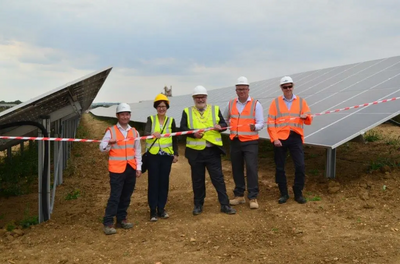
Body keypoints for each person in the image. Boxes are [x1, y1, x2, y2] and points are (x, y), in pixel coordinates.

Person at [180, 85, 236, 216]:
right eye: (198, 97)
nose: (200, 100)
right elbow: (182, 129)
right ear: (194, 98)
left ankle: (225, 205)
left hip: (212, 151)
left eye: (202, 97)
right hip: (195, 152)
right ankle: (198, 205)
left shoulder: (214, 109)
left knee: (218, 179)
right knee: (197, 180)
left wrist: (220, 127)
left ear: (206, 97)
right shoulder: (187, 111)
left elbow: (224, 125)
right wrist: (193, 134)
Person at [267, 76, 313, 204]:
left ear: (293, 86)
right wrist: (275, 138)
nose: (288, 89)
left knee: (300, 165)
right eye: (285, 87)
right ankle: (283, 193)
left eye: (290, 86)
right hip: (280, 138)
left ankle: (298, 192)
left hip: (295, 137)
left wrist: (306, 116)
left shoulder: (301, 101)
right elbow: (271, 122)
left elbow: (309, 119)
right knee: (280, 167)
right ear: (281, 88)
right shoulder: (275, 103)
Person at [99, 103, 142, 235]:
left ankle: (122, 219)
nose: (125, 117)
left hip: (130, 168)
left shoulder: (134, 132)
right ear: (118, 116)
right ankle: (108, 222)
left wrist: (138, 167)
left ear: (129, 116)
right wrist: (109, 144)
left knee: (126, 195)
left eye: (127, 114)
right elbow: (102, 148)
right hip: (116, 169)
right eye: (122, 114)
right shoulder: (111, 131)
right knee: (115, 196)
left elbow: (138, 150)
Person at [224, 76, 264, 209]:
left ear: (248, 89)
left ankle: (253, 197)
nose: (241, 91)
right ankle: (239, 195)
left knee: (251, 168)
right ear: (236, 90)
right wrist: (227, 124)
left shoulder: (255, 104)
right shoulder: (230, 104)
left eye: (243, 89)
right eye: (239, 89)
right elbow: (225, 119)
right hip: (235, 141)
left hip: (250, 142)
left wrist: (256, 127)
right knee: (237, 168)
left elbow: (261, 122)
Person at [144, 94, 179, 222]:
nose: (161, 109)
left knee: (164, 182)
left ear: (167, 107)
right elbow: (146, 133)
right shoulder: (151, 119)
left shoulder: (171, 120)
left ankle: (161, 209)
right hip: (153, 155)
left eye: (164, 106)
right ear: (156, 107)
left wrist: (176, 154)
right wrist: (152, 134)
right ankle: (153, 210)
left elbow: (175, 138)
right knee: (153, 182)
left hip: (166, 156)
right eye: (159, 106)